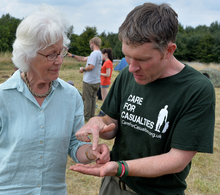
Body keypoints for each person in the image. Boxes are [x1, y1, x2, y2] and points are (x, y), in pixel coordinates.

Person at [69, 3, 215, 195]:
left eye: (143, 59)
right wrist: (97, 123)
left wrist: (121, 167)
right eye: (127, 57)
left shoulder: (196, 89)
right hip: (112, 186)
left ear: (169, 50)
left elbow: (177, 160)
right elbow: (110, 123)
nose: (131, 68)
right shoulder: (128, 75)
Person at [0, 4, 110, 195]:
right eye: (52, 54)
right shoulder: (1, 96)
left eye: (62, 52)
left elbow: (74, 144)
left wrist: (91, 152)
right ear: (28, 55)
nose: (59, 60)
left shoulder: (71, 97)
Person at [67, 37, 102, 121]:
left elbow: (91, 66)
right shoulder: (99, 53)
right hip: (96, 81)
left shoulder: (94, 54)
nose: (90, 46)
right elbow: (84, 58)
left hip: (89, 81)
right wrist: (73, 56)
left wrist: (83, 69)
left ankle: (86, 117)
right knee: (93, 99)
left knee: (87, 99)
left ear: (93, 43)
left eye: (90, 44)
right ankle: (91, 116)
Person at [98, 48, 113, 117]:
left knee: (105, 97)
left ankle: (105, 111)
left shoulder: (108, 62)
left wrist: (99, 73)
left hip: (105, 82)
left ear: (105, 54)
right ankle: (104, 110)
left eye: (102, 54)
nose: (101, 56)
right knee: (103, 97)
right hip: (103, 81)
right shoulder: (106, 62)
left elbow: (108, 74)